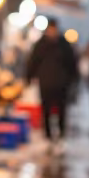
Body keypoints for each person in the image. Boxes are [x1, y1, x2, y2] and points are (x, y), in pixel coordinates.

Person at [26, 19, 78, 147]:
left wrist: (73, 79)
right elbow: (33, 62)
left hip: (61, 83)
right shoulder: (41, 44)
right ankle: (48, 135)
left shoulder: (64, 44)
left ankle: (61, 134)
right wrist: (28, 78)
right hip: (45, 83)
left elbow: (72, 63)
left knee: (61, 110)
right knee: (46, 110)